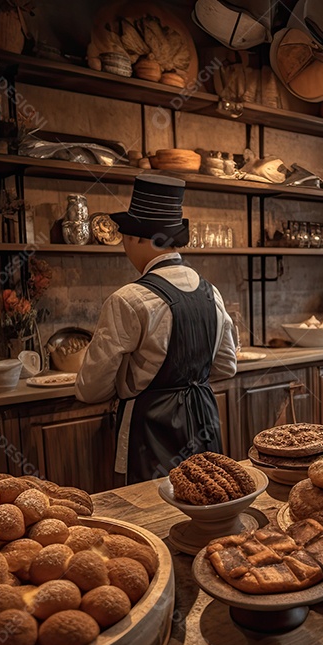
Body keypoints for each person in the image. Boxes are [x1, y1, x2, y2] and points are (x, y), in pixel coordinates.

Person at [75, 176, 237, 483]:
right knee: (208, 494)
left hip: (150, 430)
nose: (123, 245)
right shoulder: (211, 292)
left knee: (150, 511)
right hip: (204, 418)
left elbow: (90, 389)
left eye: (125, 237)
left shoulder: (129, 299)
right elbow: (226, 366)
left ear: (140, 238)